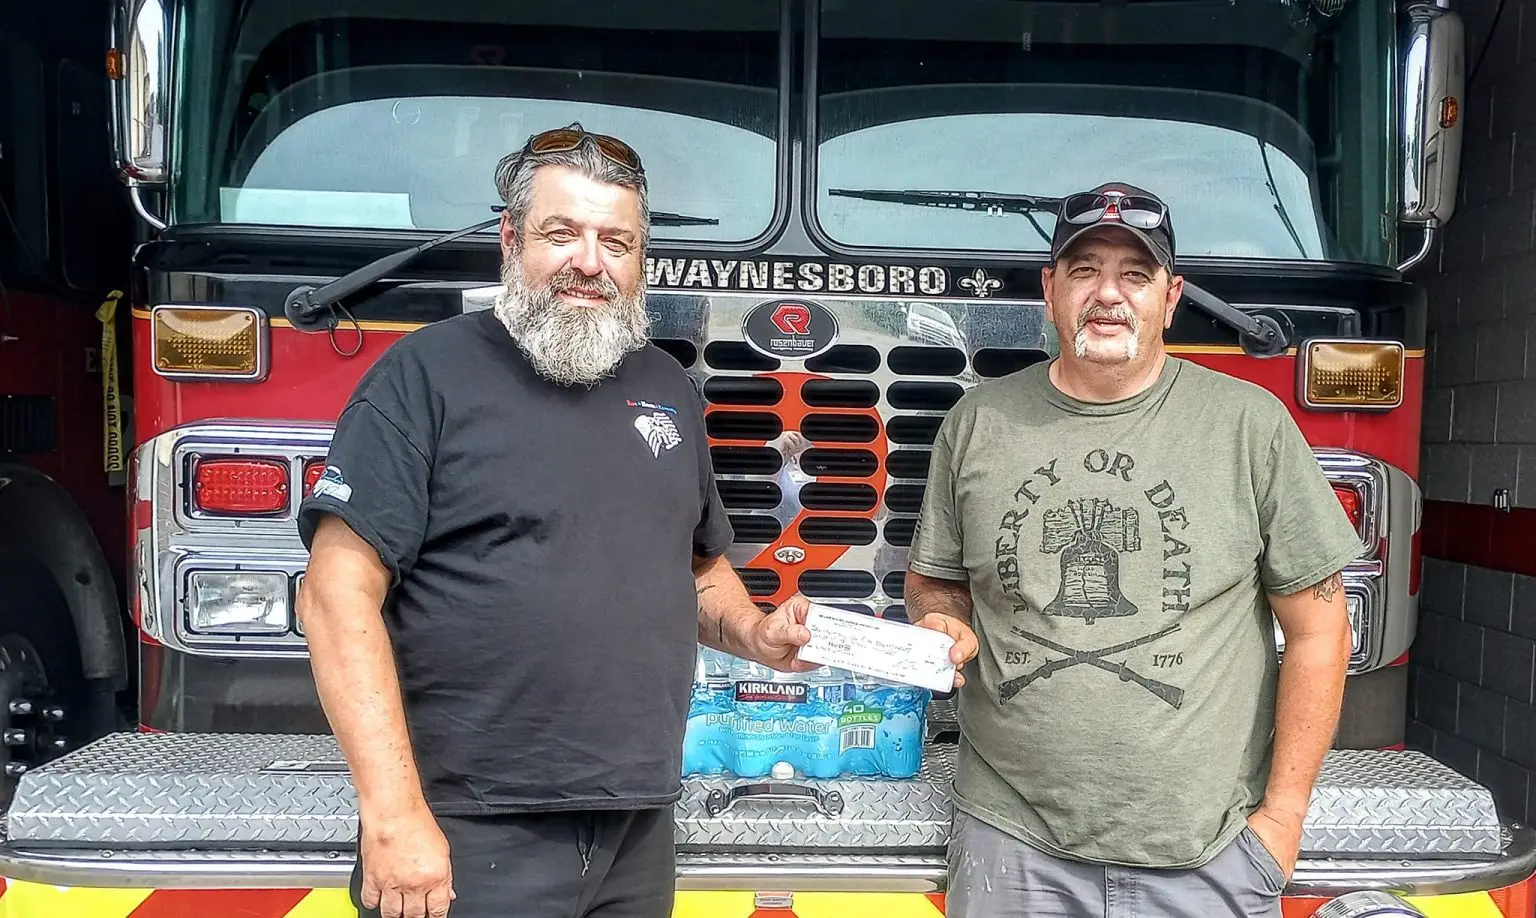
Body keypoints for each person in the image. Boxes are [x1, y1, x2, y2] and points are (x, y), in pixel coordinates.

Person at [294, 124, 815, 918]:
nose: (590, 262)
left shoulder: (666, 387)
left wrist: (755, 633)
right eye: (562, 233)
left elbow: (696, 567)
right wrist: (393, 814)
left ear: (641, 260)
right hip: (467, 826)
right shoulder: (424, 375)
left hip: (636, 828)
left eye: (616, 242)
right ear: (510, 239)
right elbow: (336, 595)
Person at [904, 182, 1362, 917]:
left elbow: (1320, 629)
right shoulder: (978, 422)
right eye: (1084, 271)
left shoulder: (1250, 425)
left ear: (1170, 297)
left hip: (1207, 852)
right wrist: (942, 619)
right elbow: (933, 580)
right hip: (1011, 841)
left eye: (1135, 275)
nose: (1108, 295)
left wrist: (1282, 818)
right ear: (1050, 290)